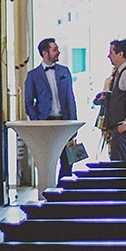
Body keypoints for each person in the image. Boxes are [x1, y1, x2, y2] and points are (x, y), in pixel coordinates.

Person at [24, 37, 78, 177]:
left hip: (64, 121)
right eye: (55, 50)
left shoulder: (64, 71)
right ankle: (49, 192)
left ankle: (64, 192)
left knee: (68, 160)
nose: (58, 52)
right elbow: (28, 102)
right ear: (45, 53)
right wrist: (37, 122)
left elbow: (70, 98)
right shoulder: (33, 75)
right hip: (45, 122)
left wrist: (74, 123)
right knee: (47, 159)